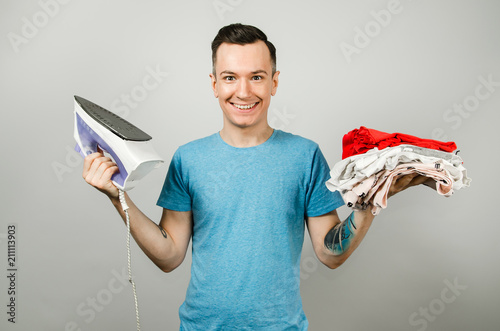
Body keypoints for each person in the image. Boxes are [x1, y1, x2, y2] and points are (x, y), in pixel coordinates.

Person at [82, 23, 426, 330]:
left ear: (274, 82)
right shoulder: (189, 159)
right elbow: (170, 256)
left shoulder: (304, 156)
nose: (243, 92)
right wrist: (118, 196)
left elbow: (329, 254)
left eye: (256, 77)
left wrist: (369, 203)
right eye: (230, 77)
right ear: (214, 84)